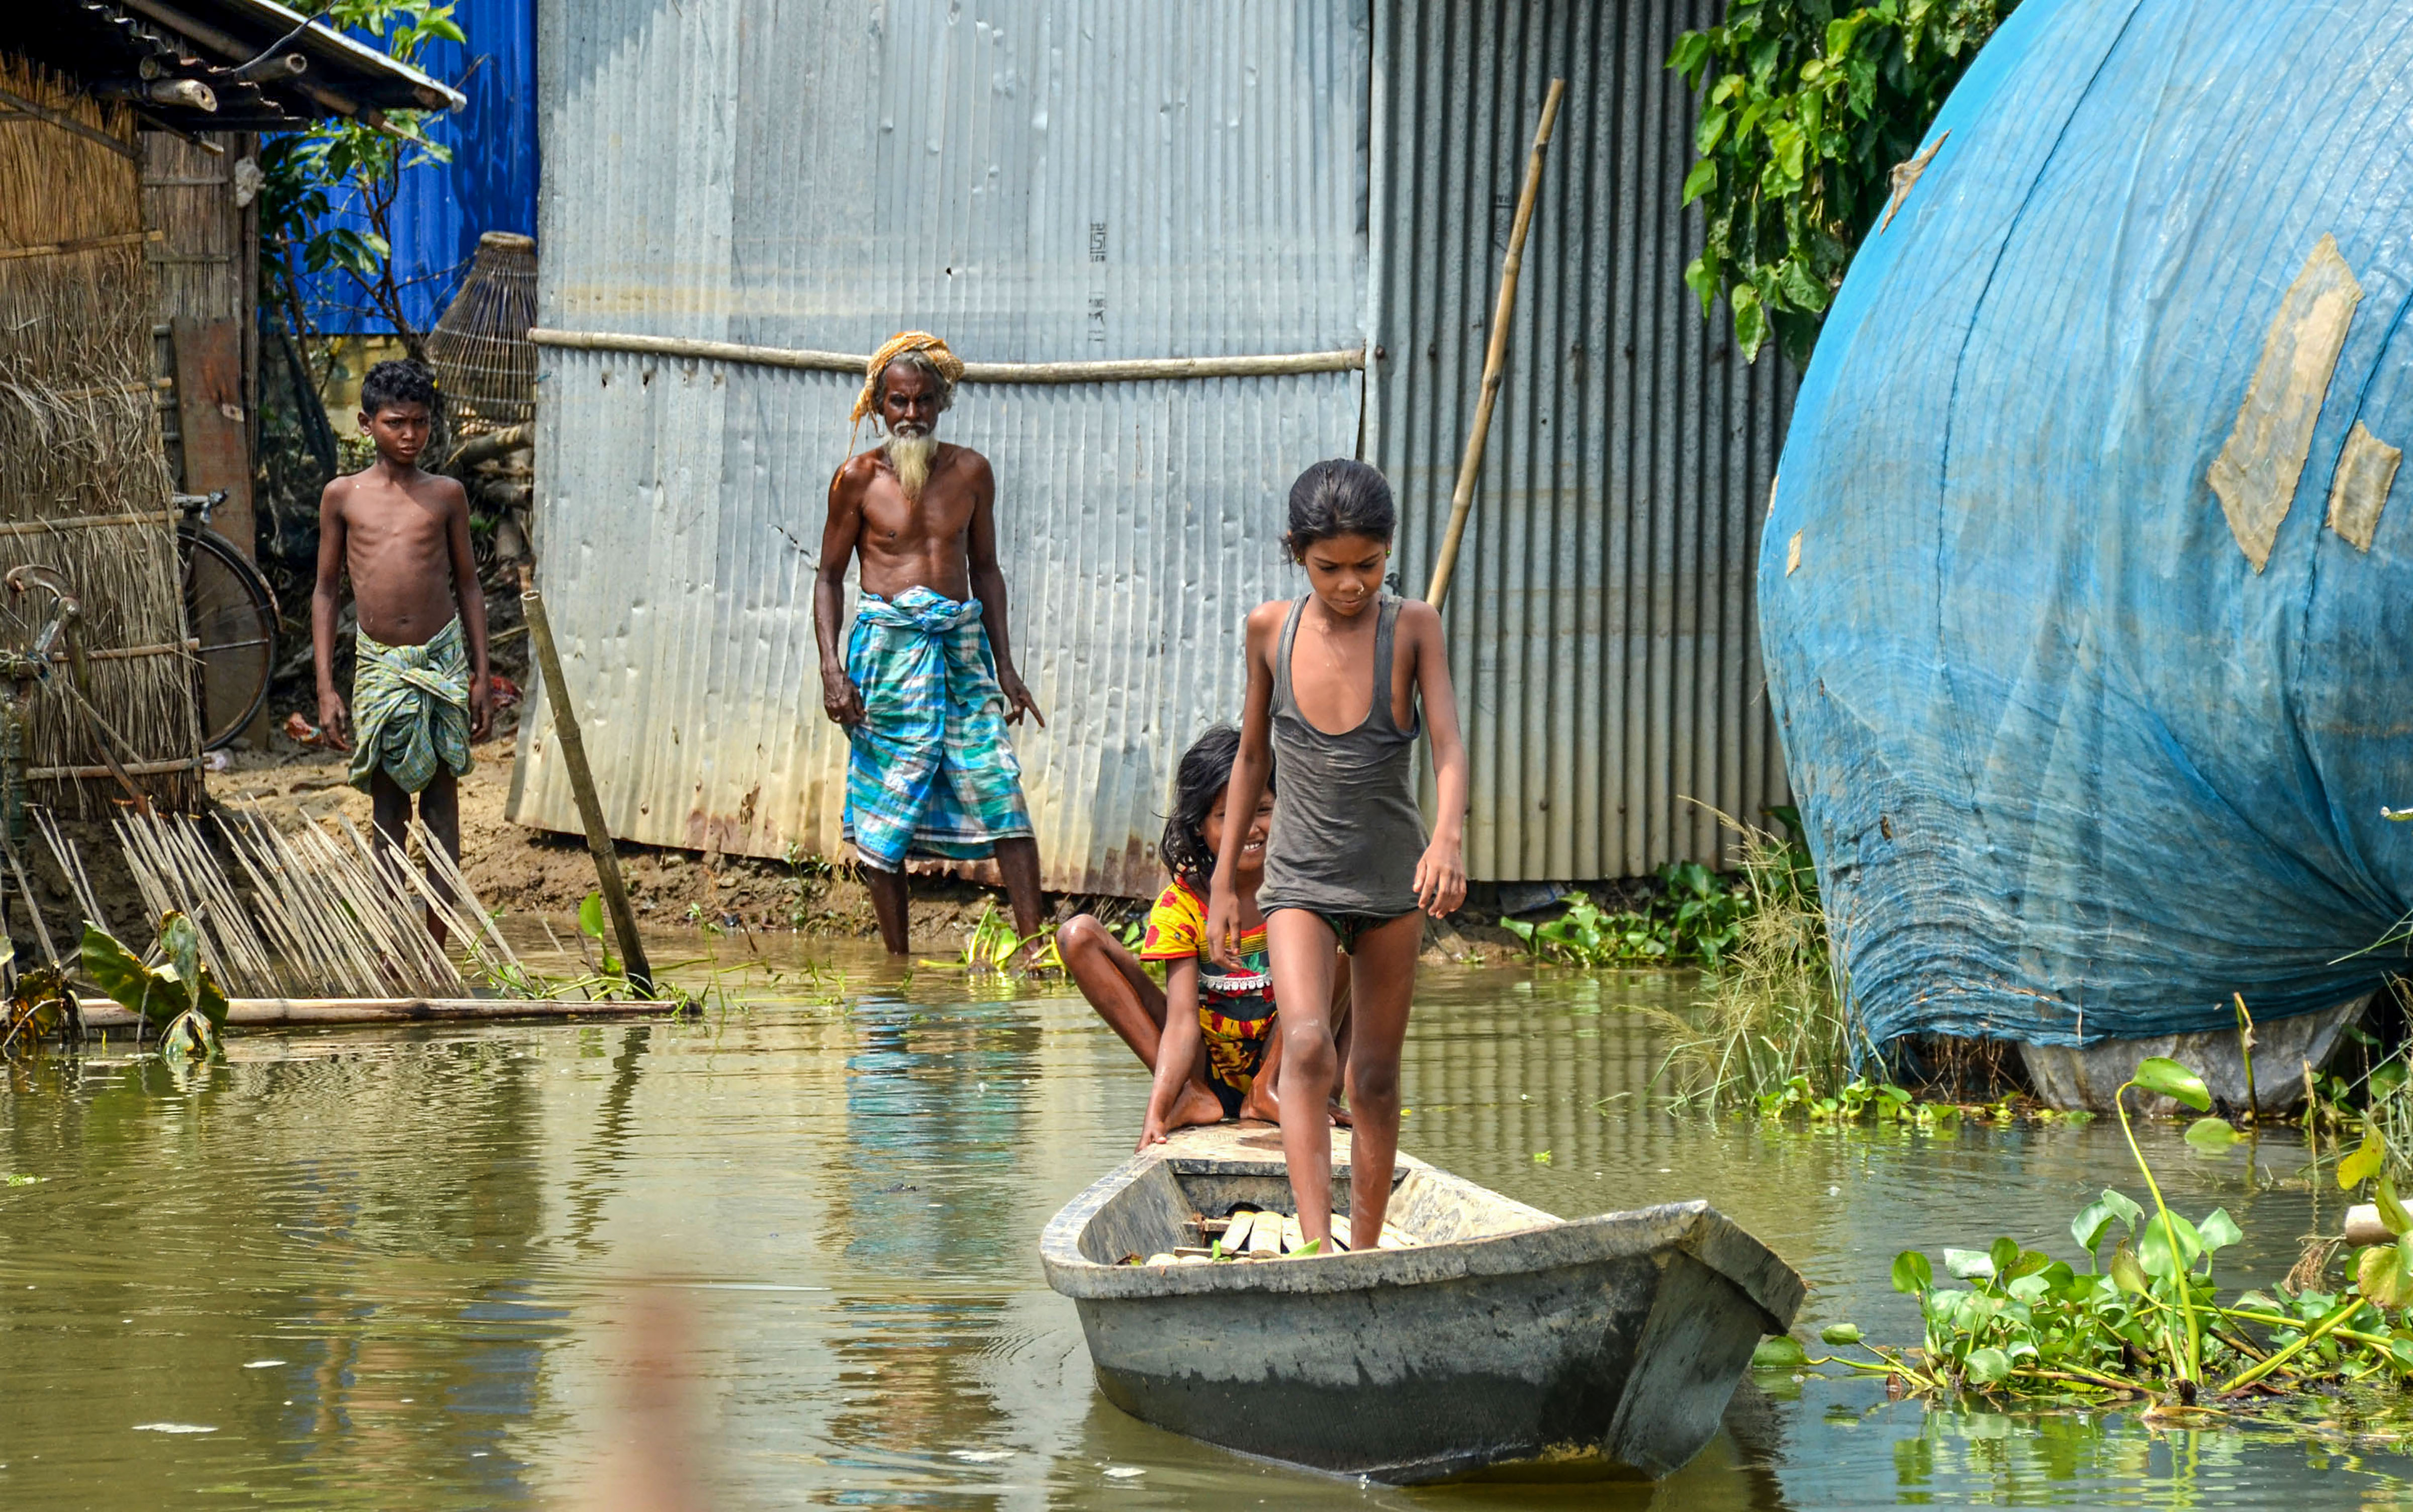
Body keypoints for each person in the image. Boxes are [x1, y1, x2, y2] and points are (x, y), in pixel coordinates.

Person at [1206, 459, 1467, 1253]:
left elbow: (1450, 749)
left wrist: (1448, 838)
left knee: (1375, 1078)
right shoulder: (1269, 631)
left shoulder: (1413, 627)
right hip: (1298, 882)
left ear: (1389, 554)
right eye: (1331, 569)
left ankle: (1366, 1246)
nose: (1351, 585)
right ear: (1297, 554)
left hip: (1392, 882)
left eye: (1369, 566)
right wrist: (1223, 885)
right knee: (1310, 1043)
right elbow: (1252, 759)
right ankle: (1317, 1249)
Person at [816, 332, 1046, 955]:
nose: (911, 415)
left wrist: (1007, 666)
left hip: (959, 651)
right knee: (883, 811)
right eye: (898, 402)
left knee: (1000, 785)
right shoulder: (856, 479)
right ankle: (897, 962)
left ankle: (1035, 949)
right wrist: (832, 672)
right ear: (878, 406)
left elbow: (987, 570)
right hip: (886, 656)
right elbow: (829, 577)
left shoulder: (971, 472)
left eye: (922, 401)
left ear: (941, 403)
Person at [1058, 726, 1352, 1151]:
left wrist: (1330, 1089)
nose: (1250, 828)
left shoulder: (1302, 890)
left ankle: (1271, 1089)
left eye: (1263, 809)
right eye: (1227, 816)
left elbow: (1338, 1005)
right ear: (1199, 827)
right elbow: (1180, 1023)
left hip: (1291, 1064)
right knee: (1077, 935)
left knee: (1352, 930)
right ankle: (1189, 1096)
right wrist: (1157, 1111)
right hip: (1204, 1064)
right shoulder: (1183, 905)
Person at [312, 359, 492, 932]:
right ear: (366, 424)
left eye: (420, 423)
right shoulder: (344, 496)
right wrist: (325, 687)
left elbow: (468, 584)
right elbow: (325, 590)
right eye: (396, 423)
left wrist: (482, 676)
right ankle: (394, 941)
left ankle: (438, 939)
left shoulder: (446, 496)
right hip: (380, 667)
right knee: (388, 806)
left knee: (441, 803)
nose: (410, 435)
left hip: (441, 661)